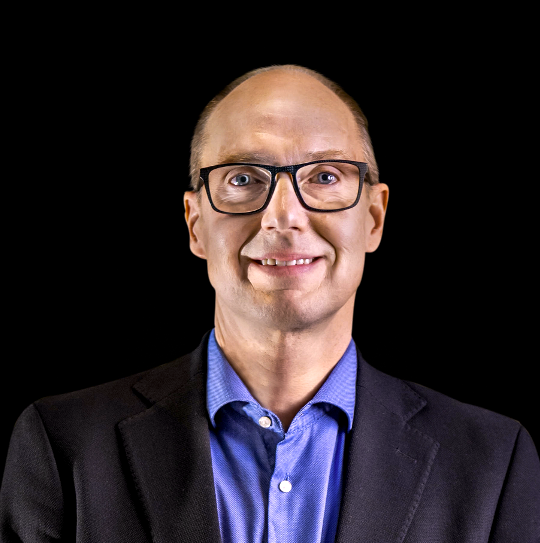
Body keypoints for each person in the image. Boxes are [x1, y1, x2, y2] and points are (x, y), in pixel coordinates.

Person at [1, 64, 539, 542]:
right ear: (194, 224)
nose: (283, 216)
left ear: (374, 218)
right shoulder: (64, 445)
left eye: (325, 176)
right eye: (243, 179)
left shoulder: (494, 460)